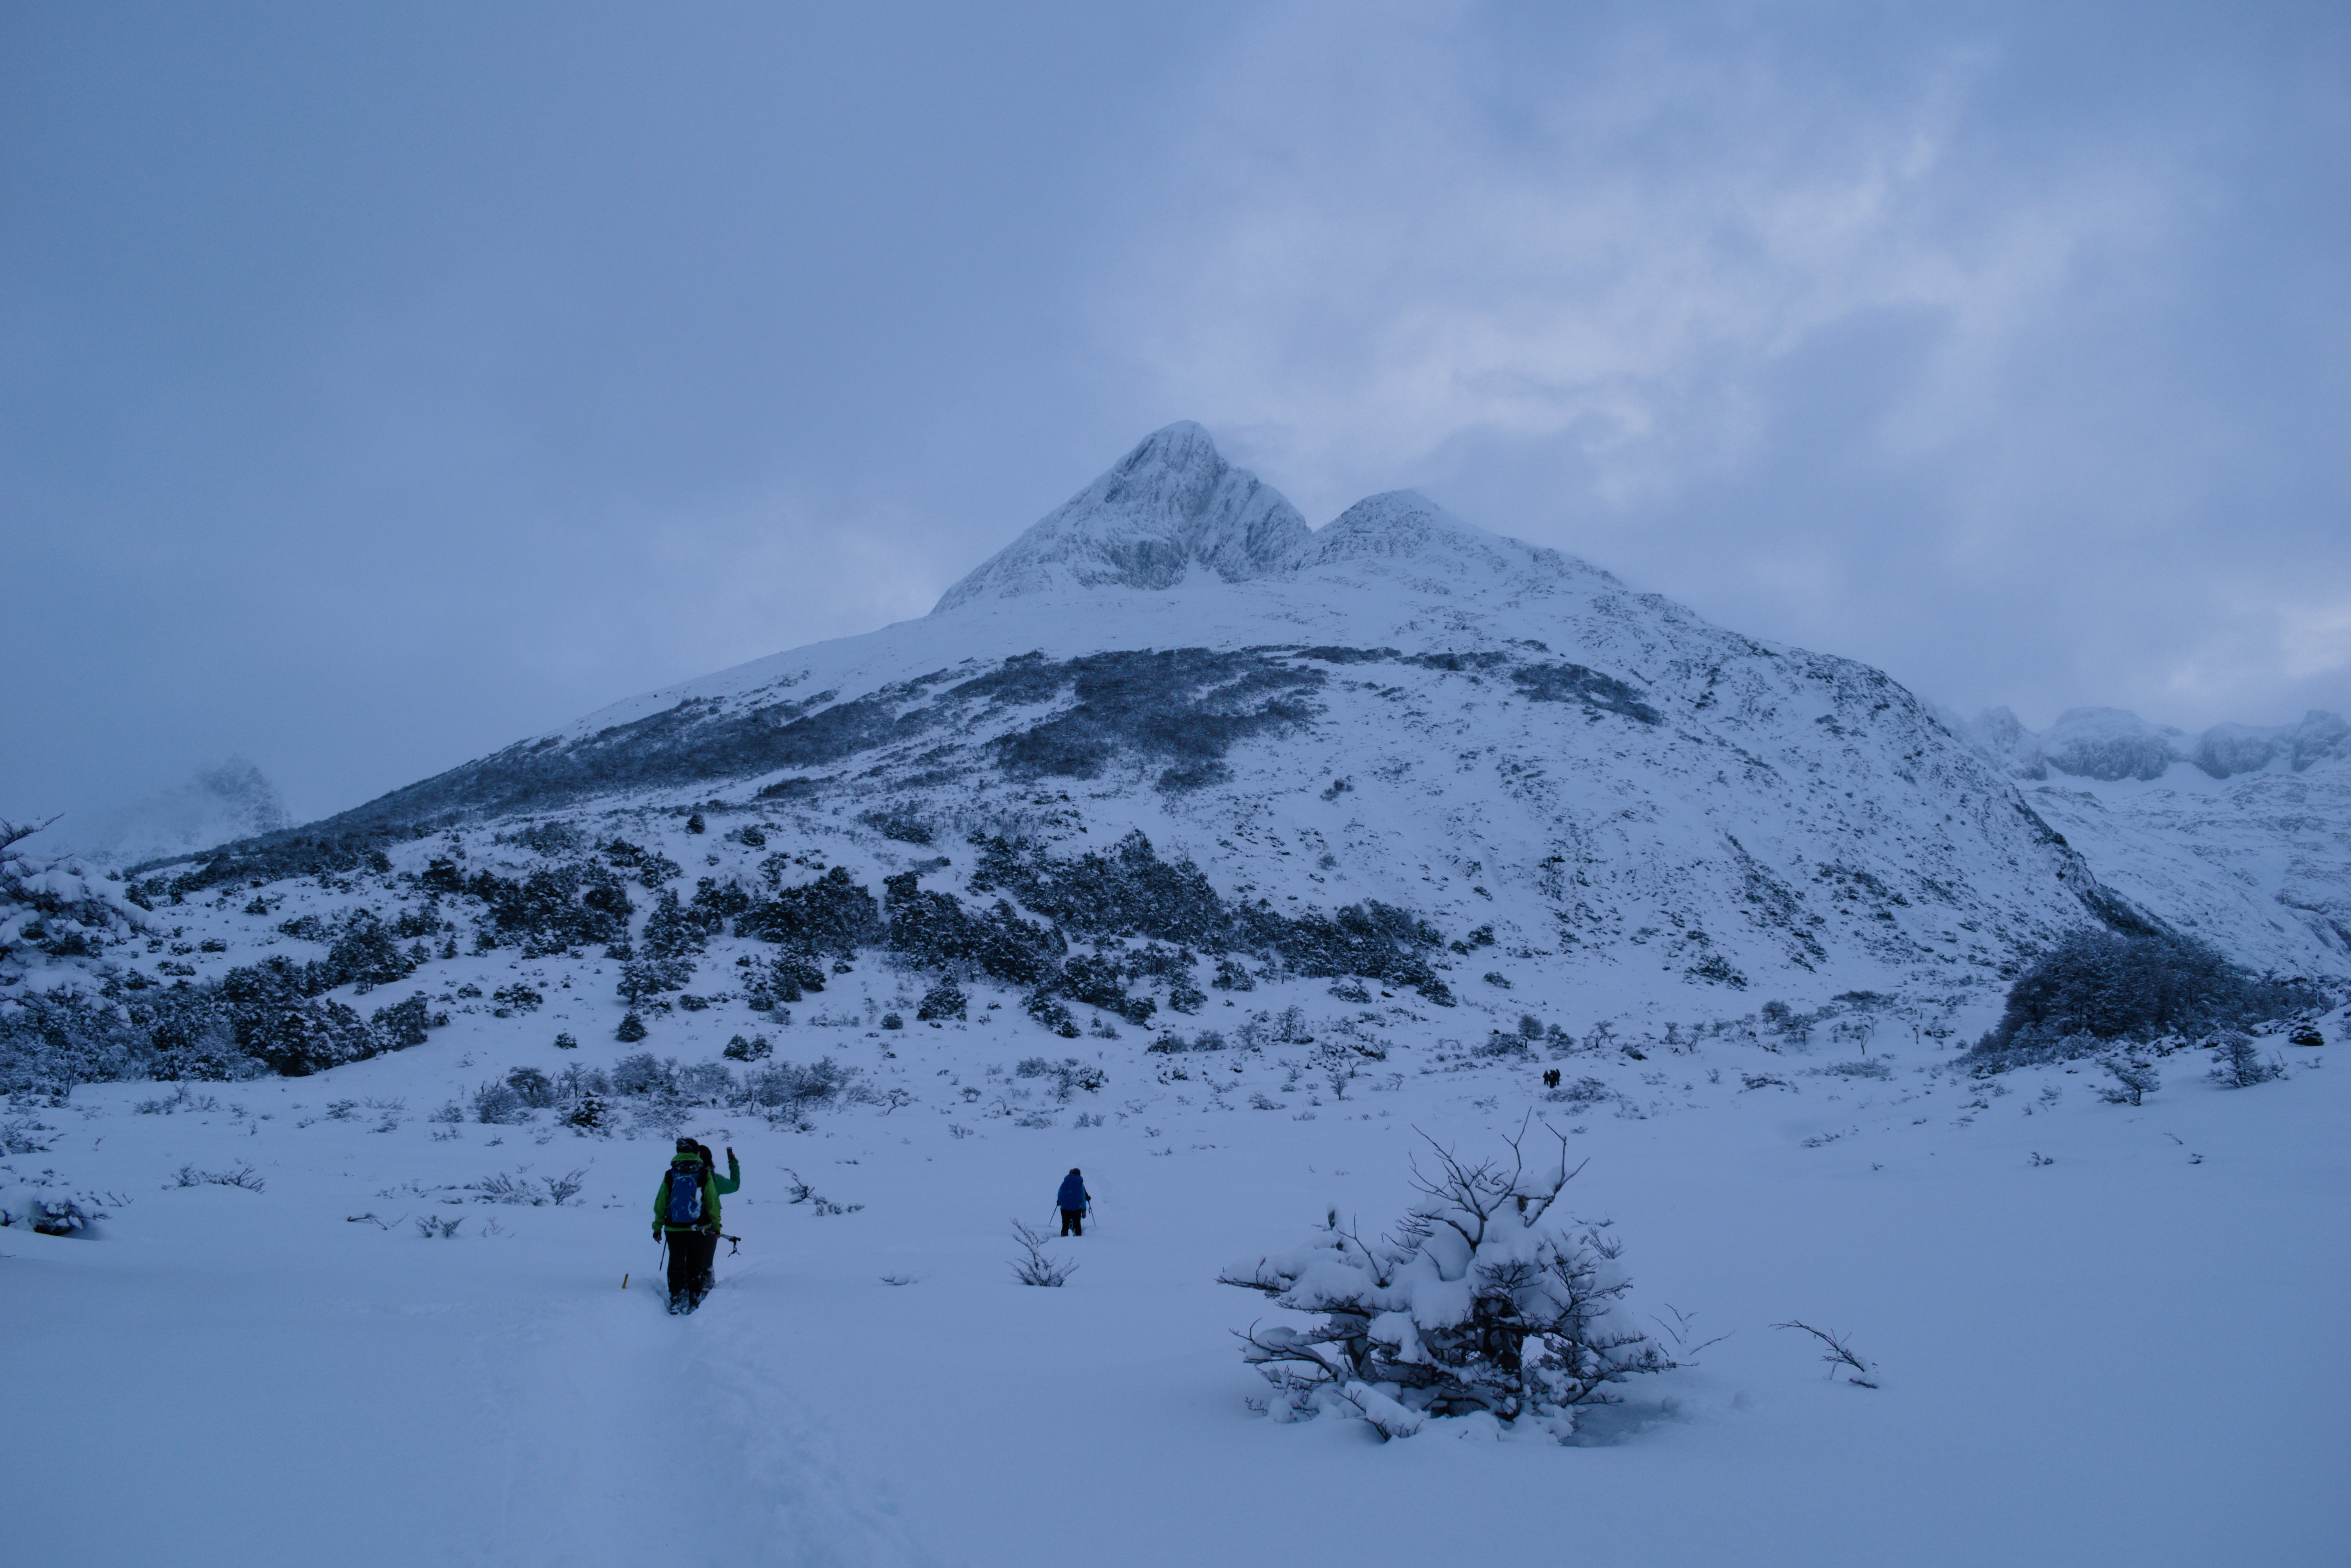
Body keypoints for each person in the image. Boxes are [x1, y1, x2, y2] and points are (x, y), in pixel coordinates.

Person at [653, 1137, 740, 1313]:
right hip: (700, 1227)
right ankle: (696, 1299)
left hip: (673, 1227)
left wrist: (658, 1227)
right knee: (697, 1263)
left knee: (676, 1263)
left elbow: (661, 1201)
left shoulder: (671, 1174)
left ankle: (676, 1300)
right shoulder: (706, 1174)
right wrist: (716, 1226)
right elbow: (714, 1201)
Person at [1056, 1167, 1089, 1237]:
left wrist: (1060, 1202)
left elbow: (1060, 1193)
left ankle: (1063, 1241)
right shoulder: (1080, 1184)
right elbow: (1083, 1198)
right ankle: (1079, 1241)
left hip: (1064, 1208)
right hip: (1076, 1208)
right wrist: (1084, 1210)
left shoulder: (1066, 1181)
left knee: (1065, 1225)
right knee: (1077, 1226)